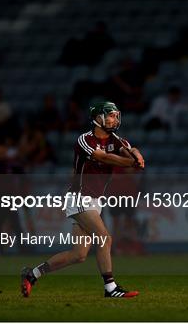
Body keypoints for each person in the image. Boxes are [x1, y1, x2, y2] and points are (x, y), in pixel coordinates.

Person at [20, 101, 145, 299]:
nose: (114, 119)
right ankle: (110, 288)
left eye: (115, 116)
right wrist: (131, 162)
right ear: (97, 118)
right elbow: (103, 157)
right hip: (79, 197)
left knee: (78, 255)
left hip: (95, 200)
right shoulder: (85, 140)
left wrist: (137, 155)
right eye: (110, 115)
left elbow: (130, 149)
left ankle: (32, 274)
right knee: (104, 237)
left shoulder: (115, 139)